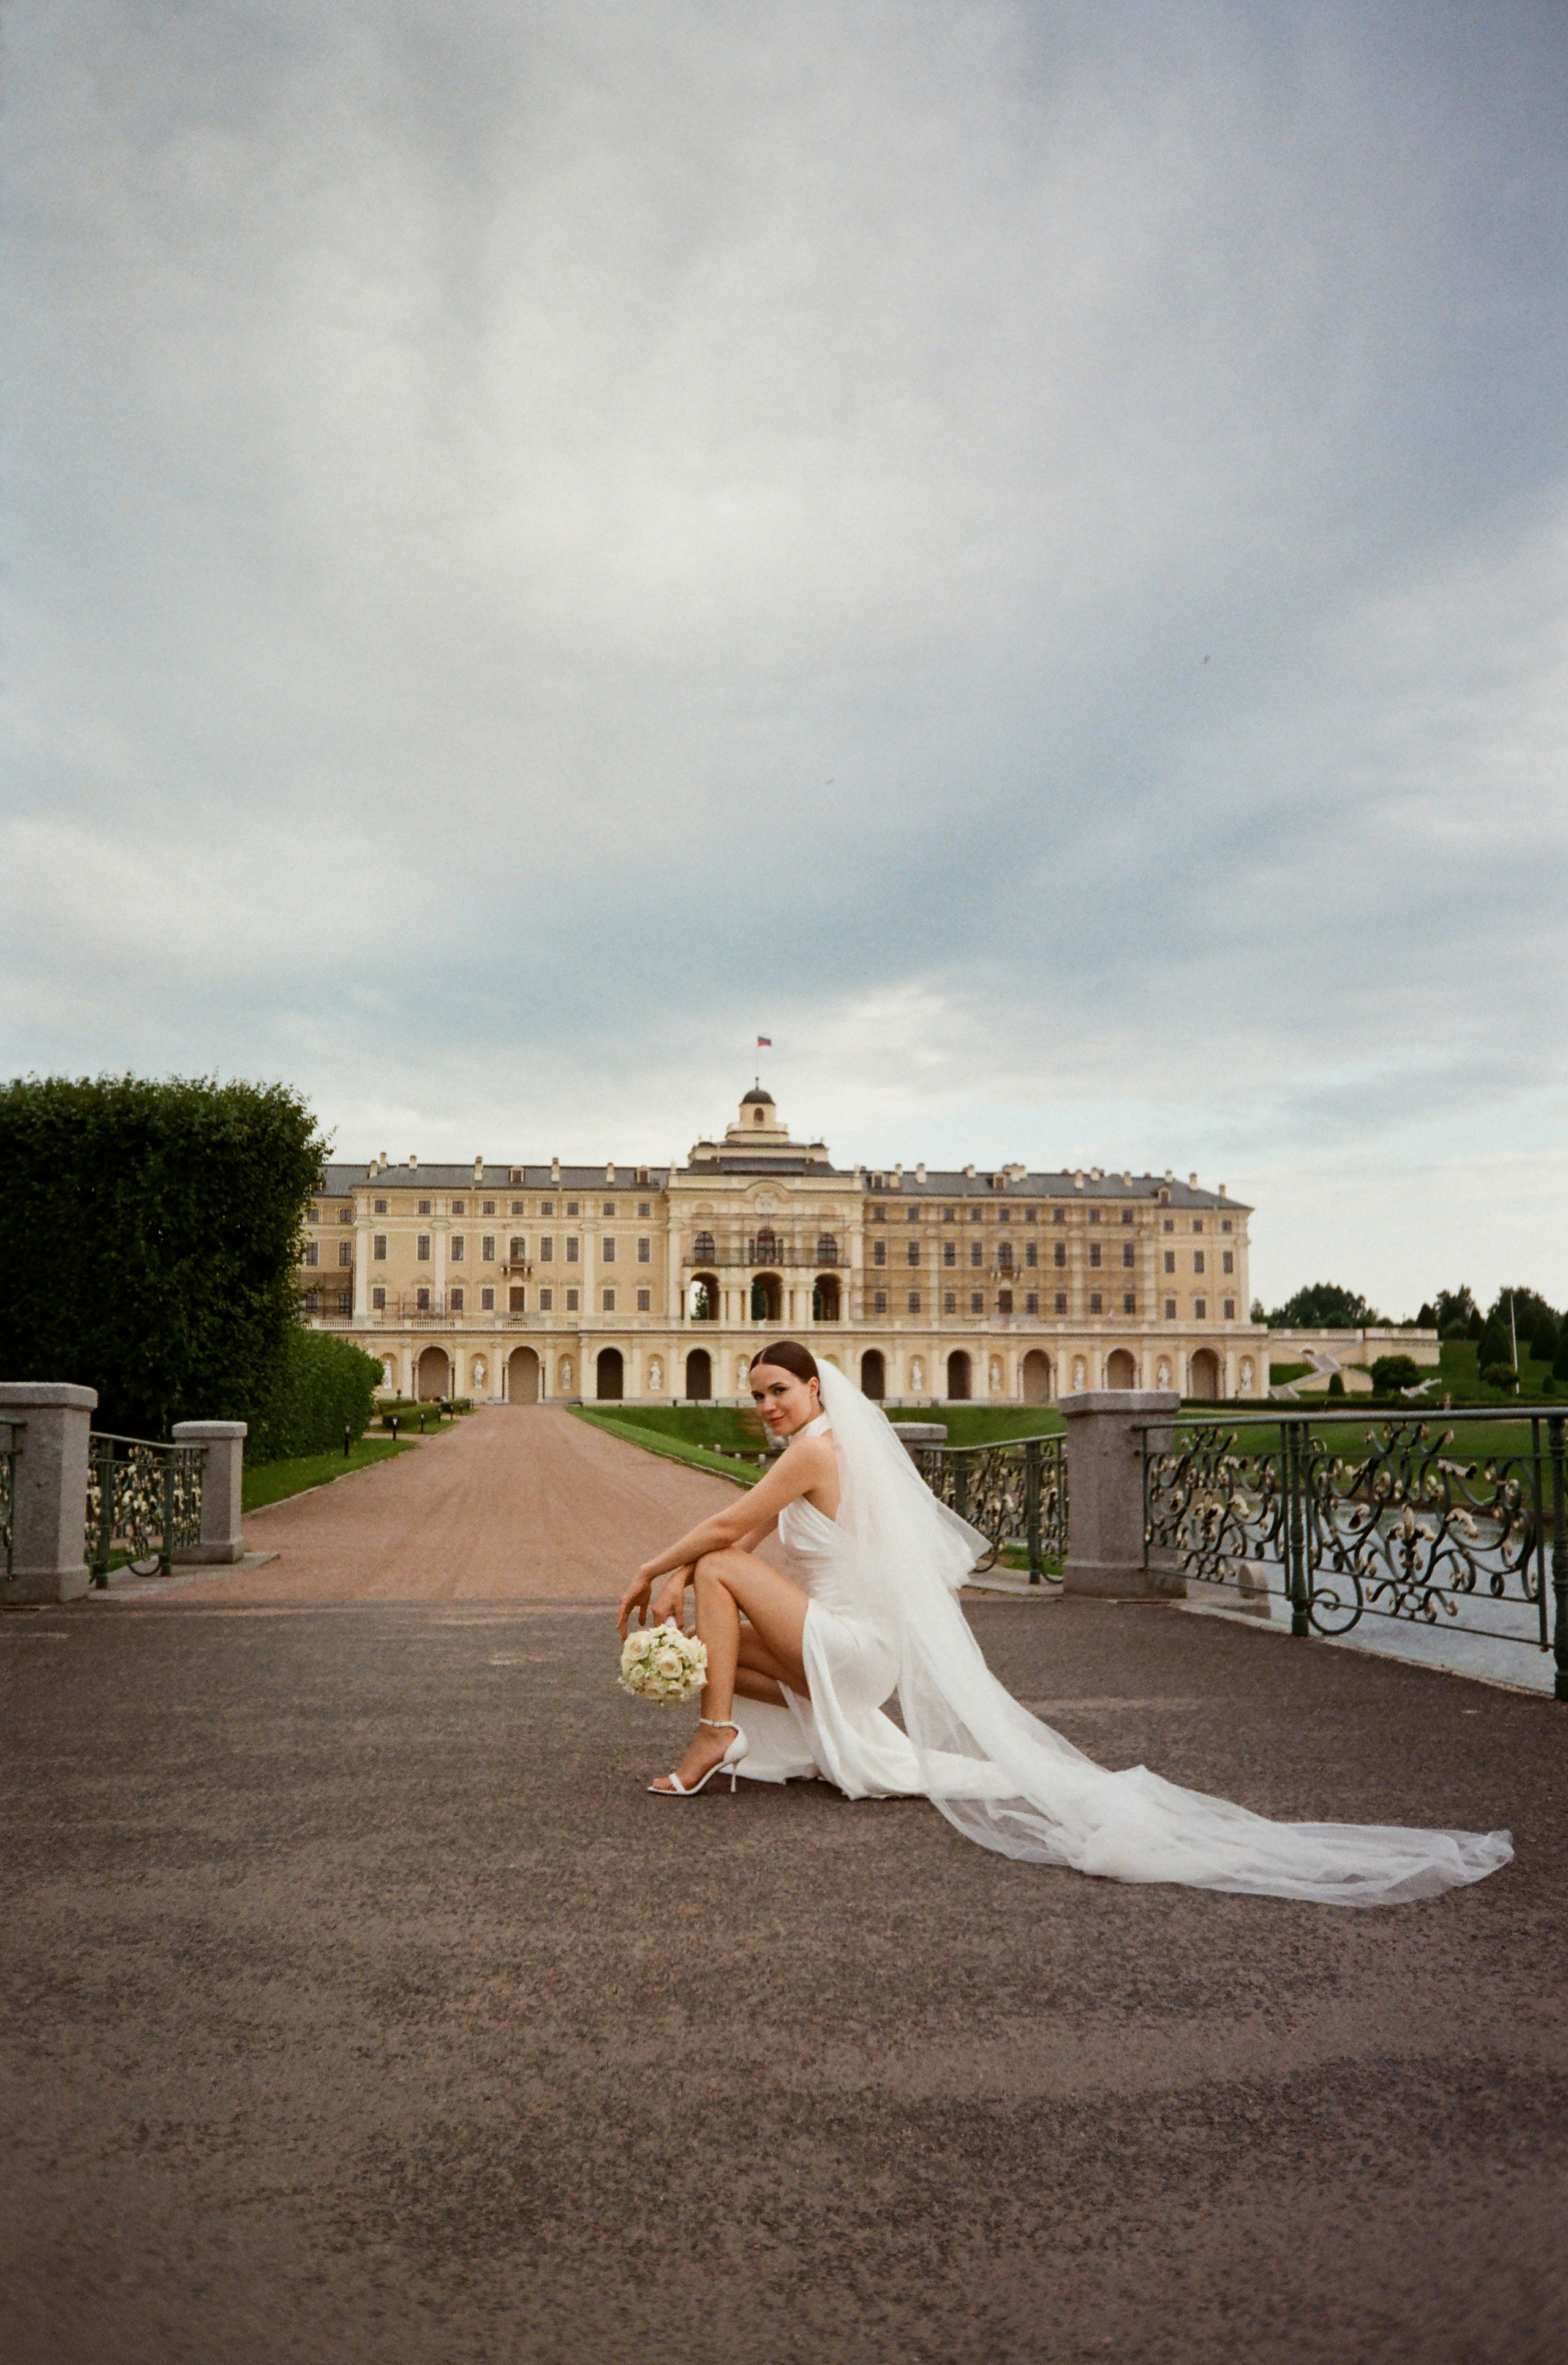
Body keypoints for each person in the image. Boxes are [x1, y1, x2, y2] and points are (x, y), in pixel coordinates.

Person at [617, 1342, 1512, 1904]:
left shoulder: (816, 1450)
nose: (768, 1405)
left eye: (780, 1389)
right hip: (857, 1658)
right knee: (705, 1633)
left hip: (856, 1654)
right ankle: (732, 1718)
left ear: (817, 1390)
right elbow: (740, 1533)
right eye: (760, 1395)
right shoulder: (811, 1452)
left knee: (714, 1565)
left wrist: (655, 1567)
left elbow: (730, 1536)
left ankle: (717, 1733)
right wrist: (682, 1583)